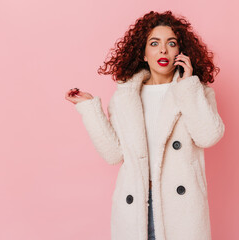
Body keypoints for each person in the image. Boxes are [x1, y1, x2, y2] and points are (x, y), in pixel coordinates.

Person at [65, 10, 225, 240]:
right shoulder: (126, 98)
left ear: (181, 52)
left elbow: (209, 136)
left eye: (171, 43)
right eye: (154, 43)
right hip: (136, 206)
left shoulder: (195, 92)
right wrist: (90, 108)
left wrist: (188, 84)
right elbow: (113, 154)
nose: (163, 50)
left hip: (180, 208)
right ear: (143, 53)